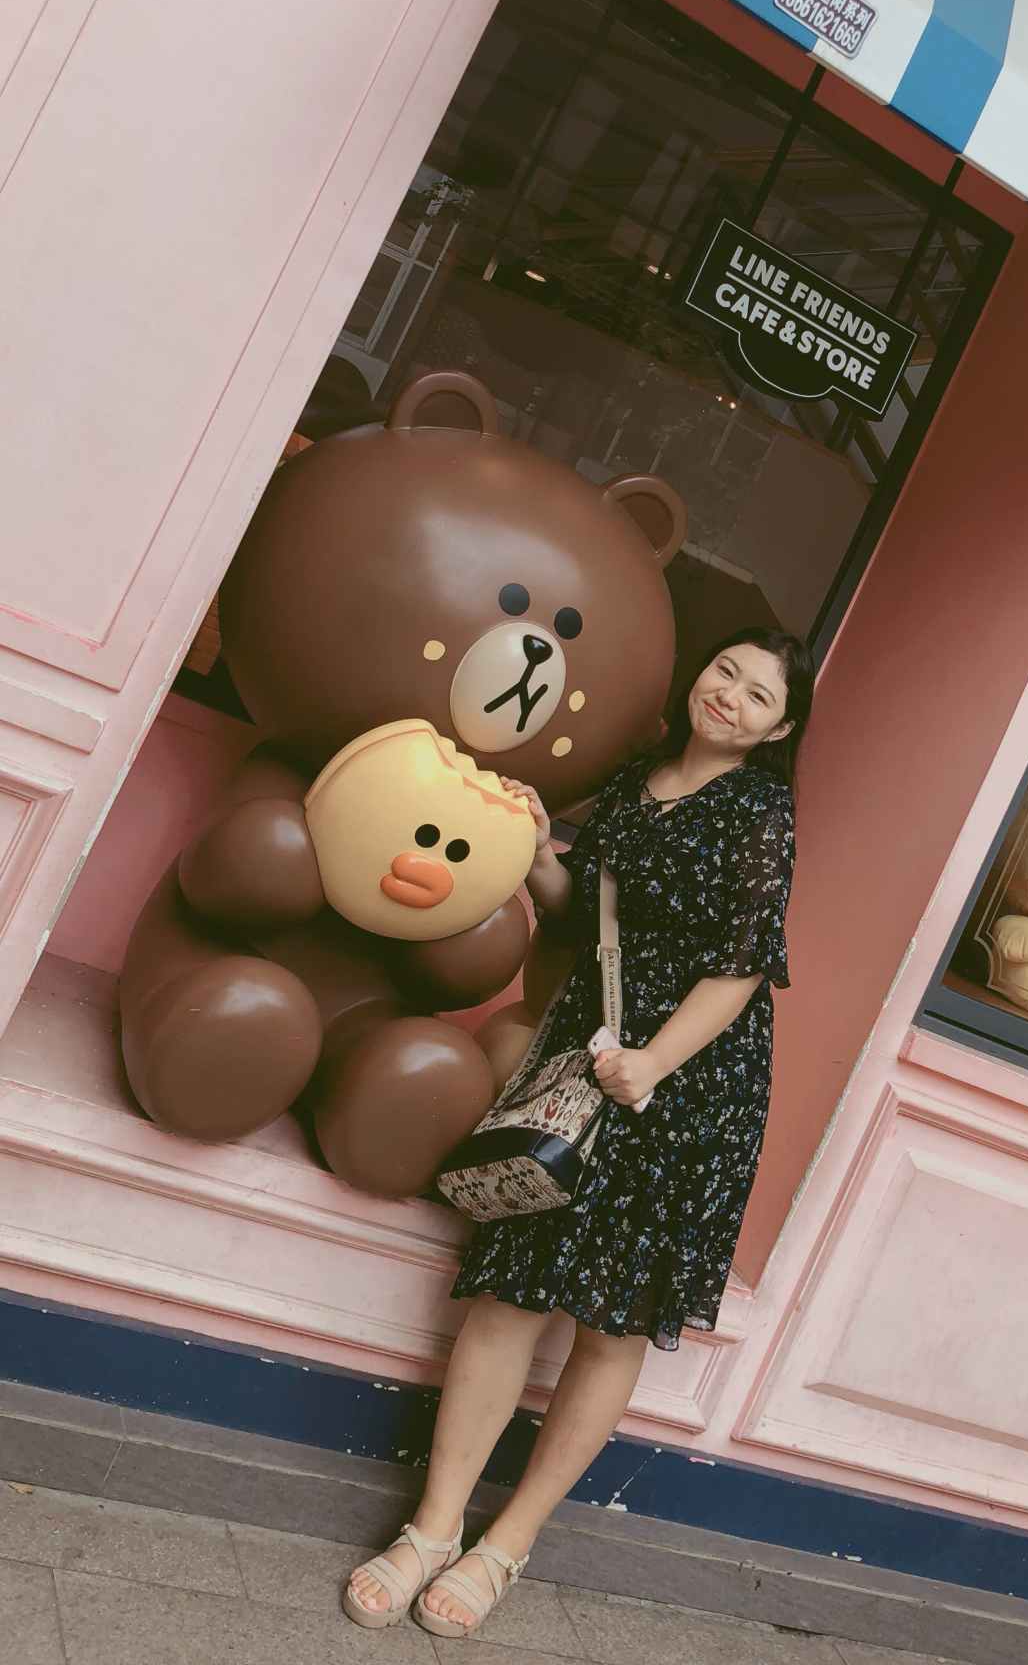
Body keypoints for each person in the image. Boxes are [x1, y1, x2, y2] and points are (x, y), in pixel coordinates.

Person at [343, 627, 814, 1637]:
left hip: (687, 1090)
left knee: (610, 1326)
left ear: (779, 730)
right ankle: (433, 1528)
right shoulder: (640, 776)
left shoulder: (761, 813)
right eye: (726, 672)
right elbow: (573, 910)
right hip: (581, 1059)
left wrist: (653, 1062)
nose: (730, 695)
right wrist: (524, 849)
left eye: (759, 695)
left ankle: (507, 1543)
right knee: (511, 1289)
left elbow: (741, 969)